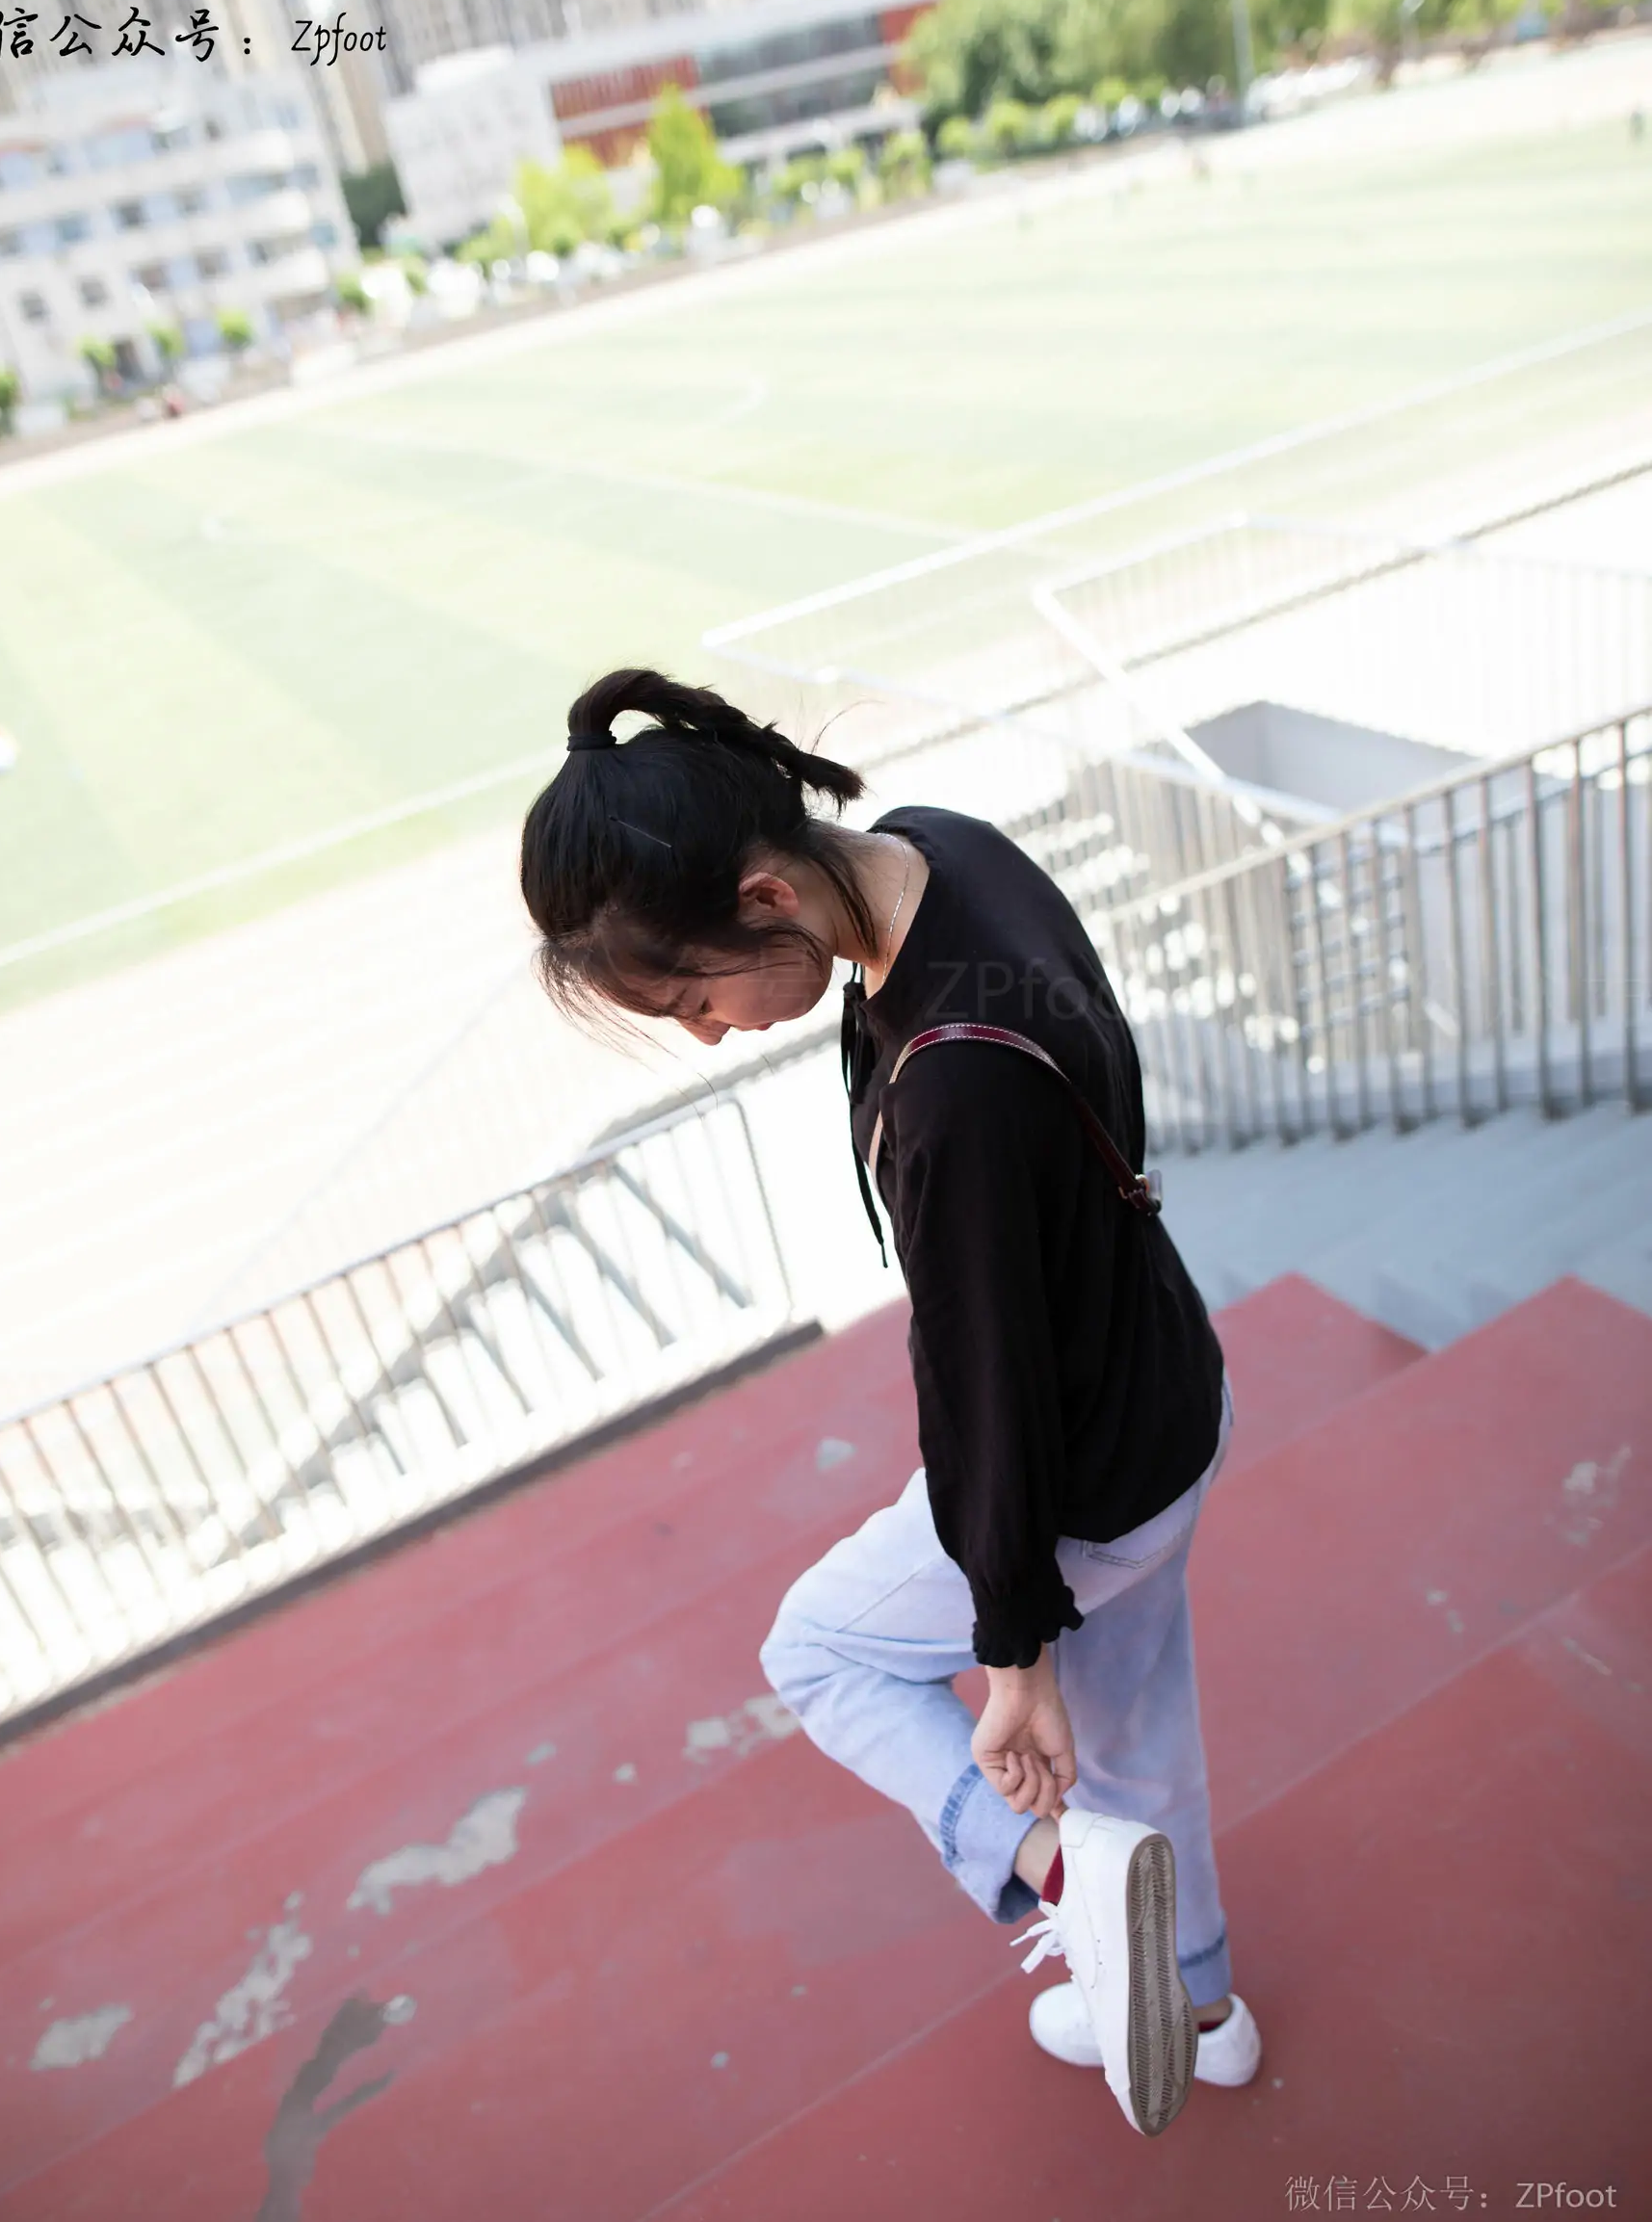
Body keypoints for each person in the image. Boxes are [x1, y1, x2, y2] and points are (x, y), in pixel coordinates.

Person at [520, 667, 1261, 2138]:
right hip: (1168, 1391)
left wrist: (1012, 1650)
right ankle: (1202, 2006)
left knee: (822, 1653)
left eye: (695, 994)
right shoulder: (944, 848)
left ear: (767, 896)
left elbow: (988, 1388)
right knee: (1137, 1737)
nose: (710, 1032)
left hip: (1083, 1474)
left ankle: (1070, 1881)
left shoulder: (950, 1092)